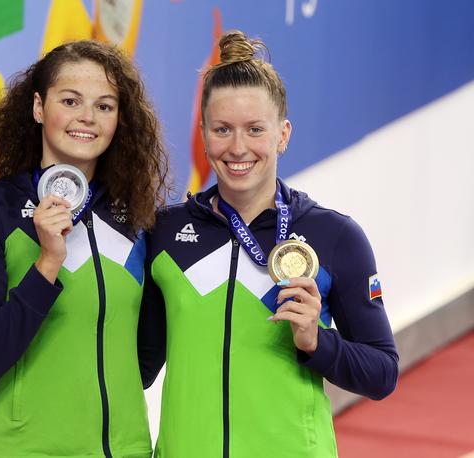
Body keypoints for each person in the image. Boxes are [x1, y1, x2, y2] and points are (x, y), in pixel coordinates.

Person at [138, 30, 399, 458]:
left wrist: (318, 341)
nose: (238, 147)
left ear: (283, 134)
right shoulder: (166, 233)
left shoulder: (334, 237)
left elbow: (381, 374)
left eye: (255, 129)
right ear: (203, 134)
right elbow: (137, 366)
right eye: (222, 129)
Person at [0, 40, 169, 458]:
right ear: (38, 107)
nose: (87, 117)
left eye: (105, 106)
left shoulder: (136, 217)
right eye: (70, 100)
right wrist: (47, 263)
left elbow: (143, 360)